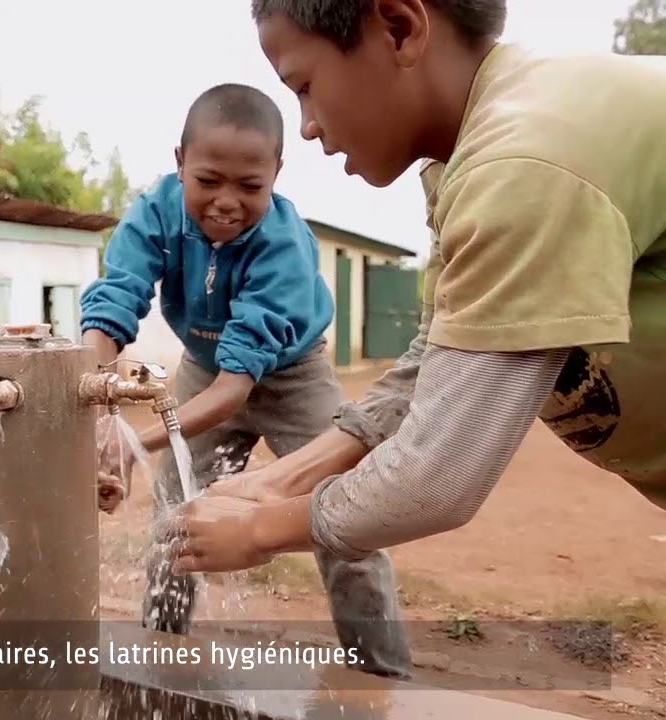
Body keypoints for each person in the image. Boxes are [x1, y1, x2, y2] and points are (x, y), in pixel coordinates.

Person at [165, 0, 666, 577]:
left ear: (400, 29)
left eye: (303, 86)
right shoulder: (470, 154)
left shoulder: (522, 163)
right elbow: (434, 356)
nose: (306, 125)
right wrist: (280, 479)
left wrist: (256, 531)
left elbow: (435, 477)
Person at [78, 83, 412, 679]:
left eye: (250, 187)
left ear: (277, 173)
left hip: (293, 375)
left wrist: (133, 442)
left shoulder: (284, 246)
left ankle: (382, 677)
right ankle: (163, 662)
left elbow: (235, 392)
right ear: (179, 162)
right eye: (208, 181)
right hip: (203, 366)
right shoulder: (154, 212)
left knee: (346, 517)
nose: (226, 202)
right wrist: (96, 405)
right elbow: (114, 305)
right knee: (174, 519)